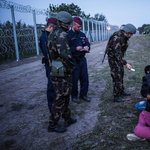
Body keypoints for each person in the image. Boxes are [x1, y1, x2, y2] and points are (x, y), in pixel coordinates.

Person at [47, 11, 77, 133]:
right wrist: (71, 69)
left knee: (65, 95)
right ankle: (52, 125)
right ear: (65, 23)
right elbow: (65, 55)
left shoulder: (52, 33)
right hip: (63, 70)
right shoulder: (62, 35)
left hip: (56, 67)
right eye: (69, 23)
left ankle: (67, 118)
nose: (70, 26)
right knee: (60, 97)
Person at [105, 23, 136, 102]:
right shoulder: (116, 38)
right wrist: (125, 63)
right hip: (113, 59)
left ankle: (121, 90)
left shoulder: (124, 37)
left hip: (118, 58)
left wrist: (123, 62)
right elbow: (117, 53)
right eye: (131, 34)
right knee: (116, 76)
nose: (131, 36)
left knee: (121, 73)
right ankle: (116, 96)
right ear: (126, 32)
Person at [68, 17, 91, 104]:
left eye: (80, 26)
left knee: (84, 78)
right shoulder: (68, 35)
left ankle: (83, 94)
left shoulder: (82, 34)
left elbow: (87, 42)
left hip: (82, 59)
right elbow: (65, 49)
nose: (80, 28)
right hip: (73, 60)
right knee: (74, 79)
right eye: (78, 26)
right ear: (73, 25)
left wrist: (87, 47)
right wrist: (75, 49)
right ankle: (74, 96)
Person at [39, 18, 57, 112]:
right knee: (51, 85)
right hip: (50, 64)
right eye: (54, 28)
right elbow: (47, 53)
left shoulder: (48, 35)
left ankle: (55, 104)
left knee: (55, 84)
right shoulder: (44, 37)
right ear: (50, 27)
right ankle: (51, 107)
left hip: (54, 63)